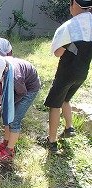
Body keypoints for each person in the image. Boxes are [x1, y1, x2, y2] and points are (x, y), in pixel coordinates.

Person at [44, 0, 92, 153]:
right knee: (66, 99)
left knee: (55, 105)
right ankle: (69, 128)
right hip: (82, 72)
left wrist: (67, 46)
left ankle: (51, 141)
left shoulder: (70, 26)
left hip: (67, 72)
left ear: (74, 5)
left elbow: (58, 52)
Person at [0, 54, 40, 162]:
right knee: (6, 115)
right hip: (19, 88)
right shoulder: (2, 64)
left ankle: (9, 150)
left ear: (3, 71)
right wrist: (5, 107)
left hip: (28, 89)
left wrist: (7, 105)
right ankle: (5, 142)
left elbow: (22, 93)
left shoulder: (15, 77)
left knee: (14, 120)